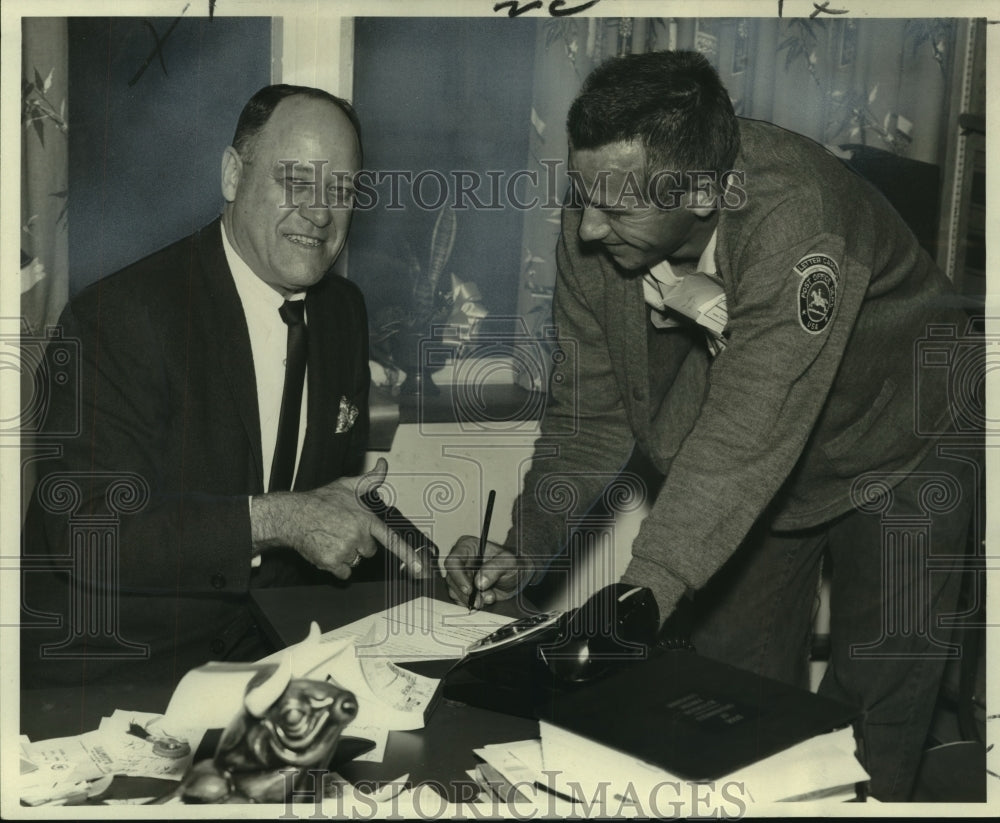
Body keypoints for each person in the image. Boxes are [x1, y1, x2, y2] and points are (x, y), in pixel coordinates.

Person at [445, 51, 980, 801]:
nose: (589, 228)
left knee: (870, 729)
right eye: (584, 195)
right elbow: (587, 417)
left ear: (702, 191)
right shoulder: (597, 214)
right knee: (726, 701)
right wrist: (526, 543)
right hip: (769, 462)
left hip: (908, 441)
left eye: (618, 209)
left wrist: (640, 592)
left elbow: (746, 428)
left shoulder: (803, 221)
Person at [21, 85, 425, 688]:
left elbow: (321, 502)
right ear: (234, 175)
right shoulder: (120, 316)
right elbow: (88, 532)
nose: (321, 212)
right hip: (114, 673)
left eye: (341, 190)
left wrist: (430, 562)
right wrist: (278, 520)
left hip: (272, 658)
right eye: (296, 179)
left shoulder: (344, 311)